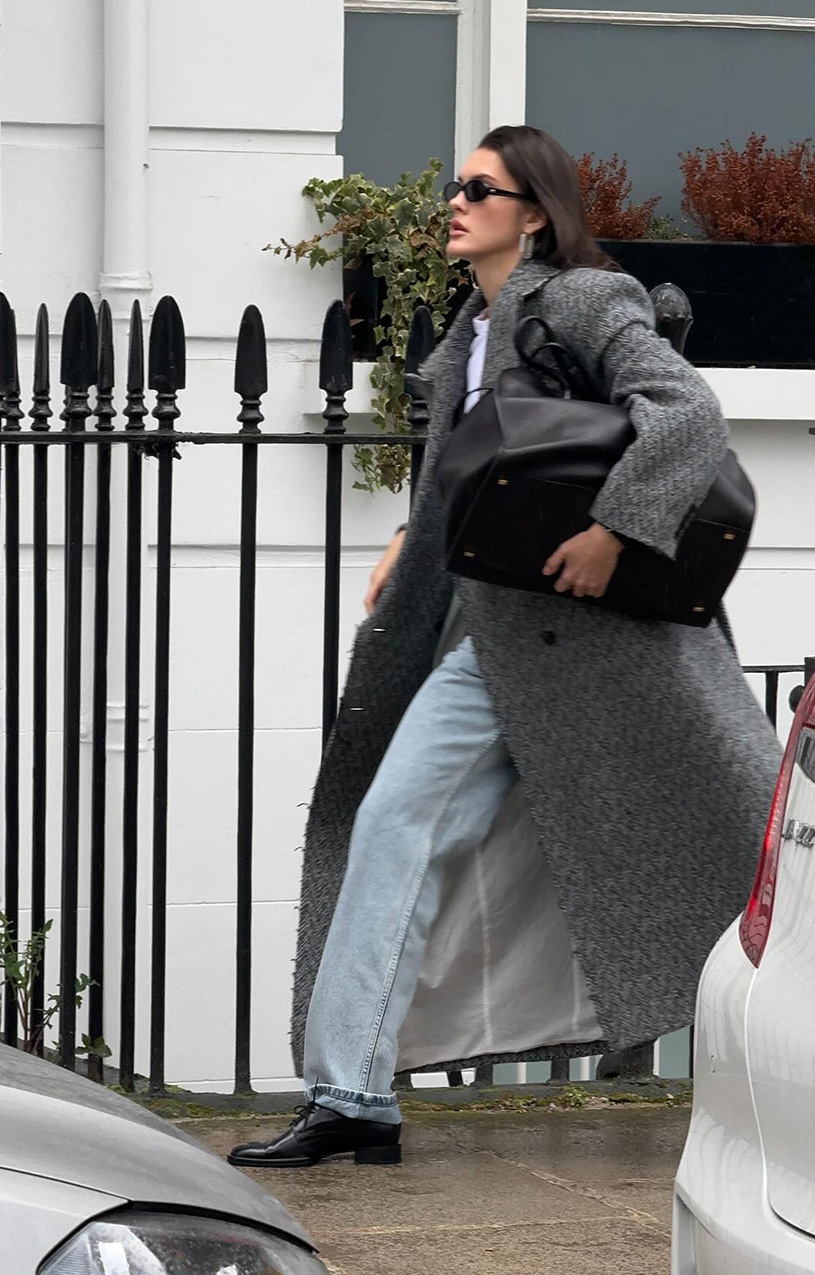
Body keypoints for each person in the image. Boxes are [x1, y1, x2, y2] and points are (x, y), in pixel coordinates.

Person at [229, 125, 781, 1170]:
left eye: (480, 188)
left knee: (757, 858)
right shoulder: (474, 324)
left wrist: (614, 532)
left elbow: (685, 413)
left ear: (535, 212)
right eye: (453, 183)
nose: (455, 200)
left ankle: (349, 1095)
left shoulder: (580, 299)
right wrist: (408, 535)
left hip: (591, 640)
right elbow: (473, 468)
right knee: (392, 825)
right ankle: (349, 1093)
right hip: (504, 634)